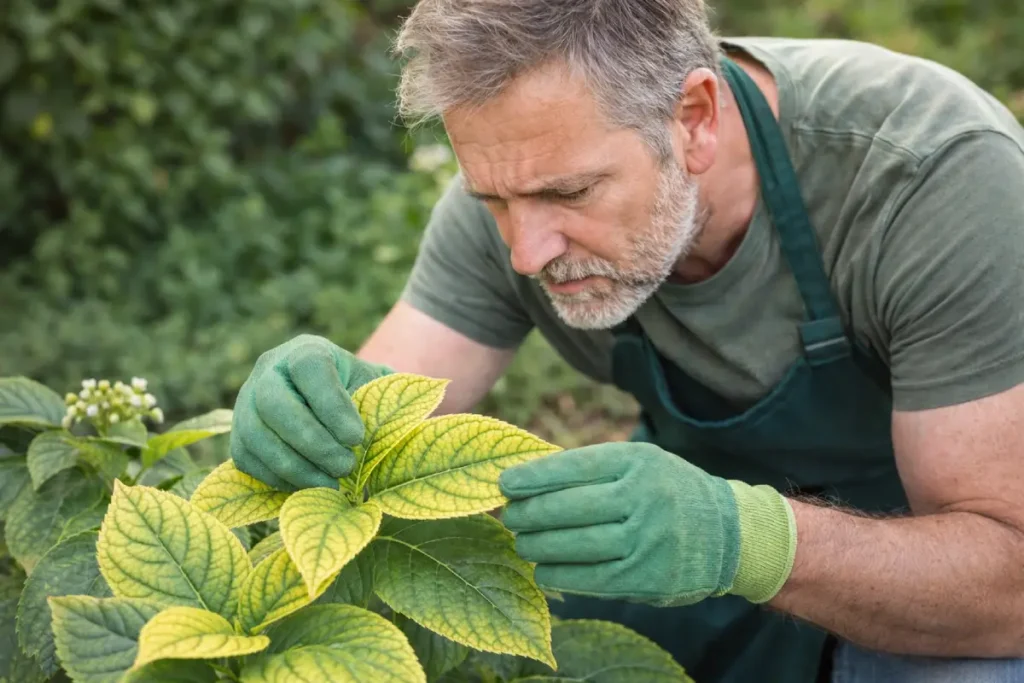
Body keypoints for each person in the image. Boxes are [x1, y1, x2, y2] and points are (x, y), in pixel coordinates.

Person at [227, 1, 1024, 680]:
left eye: (570, 192)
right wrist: (310, 409)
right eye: (493, 201)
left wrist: (741, 536)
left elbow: (1011, 584)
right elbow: (379, 409)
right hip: (678, 530)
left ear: (695, 120)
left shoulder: (930, 178)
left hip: (922, 563)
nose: (526, 252)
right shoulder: (520, 176)